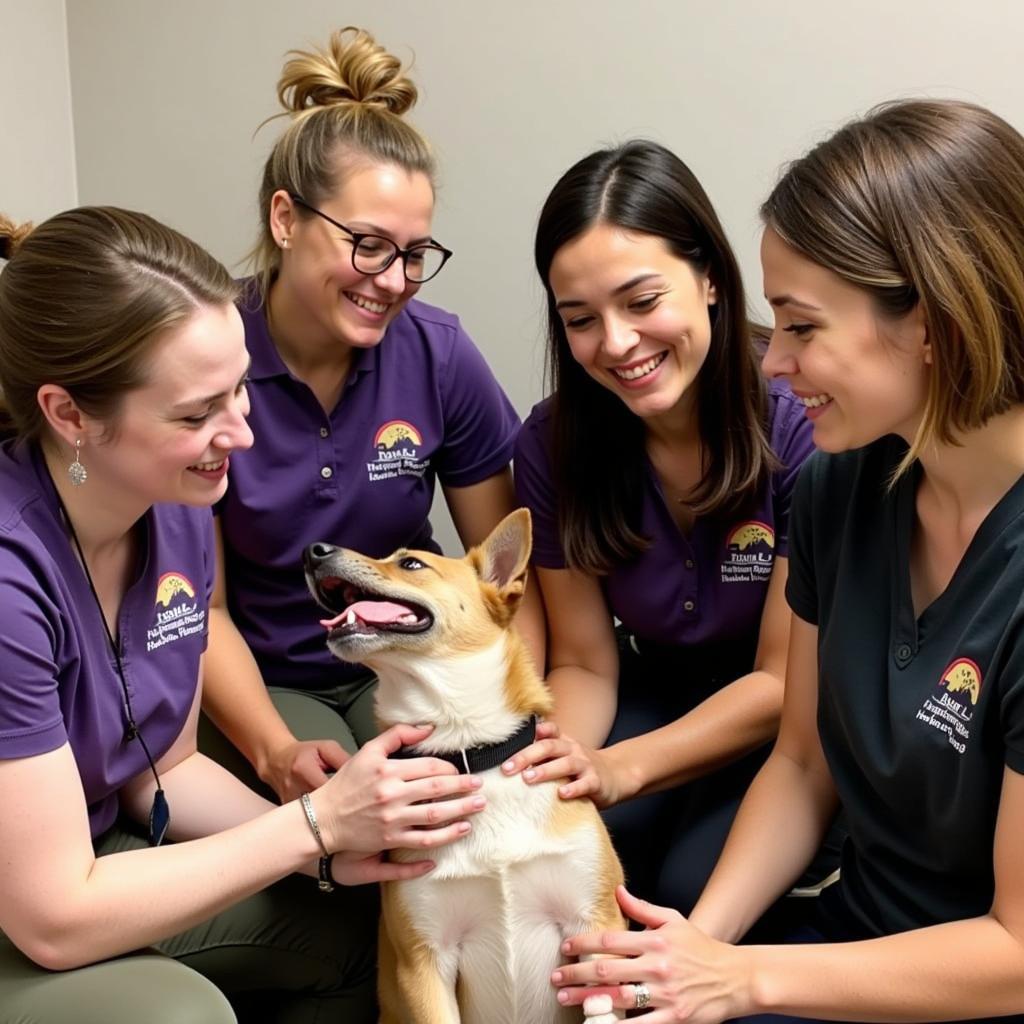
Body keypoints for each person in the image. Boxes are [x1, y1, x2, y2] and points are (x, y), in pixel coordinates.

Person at [549, 99, 1024, 1024]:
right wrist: (689, 952)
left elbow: (1016, 951)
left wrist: (743, 979)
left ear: (931, 323)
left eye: (802, 327)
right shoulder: (842, 491)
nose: (775, 363)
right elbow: (804, 765)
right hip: (853, 939)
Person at [0, 207, 487, 1024]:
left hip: (92, 856)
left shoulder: (178, 508)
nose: (242, 434)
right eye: (196, 415)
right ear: (70, 414)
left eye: (238, 390)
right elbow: (52, 917)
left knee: (373, 926)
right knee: (179, 1013)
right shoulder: (13, 581)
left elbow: (165, 771)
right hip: (31, 904)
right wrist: (314, 826)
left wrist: (338, 848)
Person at [201, 27, 540, 803]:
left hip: (409, 654)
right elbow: (202, 607)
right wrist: (275, 749)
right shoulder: (210, 354)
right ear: (286, 219)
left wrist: (520, 723)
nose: (394, 280)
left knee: (441, 812)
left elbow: (503, 576)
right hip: (273, 676)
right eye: (369, 245)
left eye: (415, 253)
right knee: (353, 829)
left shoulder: (438, 353)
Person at [505, 139, 817, 915]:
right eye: (581, 319)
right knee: (578, 859)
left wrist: (622, 770)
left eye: (642, 303)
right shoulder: (550, 445)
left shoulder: (801, 425)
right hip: (648, 688)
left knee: (684, 886)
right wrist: (562, 768)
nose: (616, 344)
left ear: (709, 277)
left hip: (791, 710)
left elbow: (781, 683)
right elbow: (584, 662)